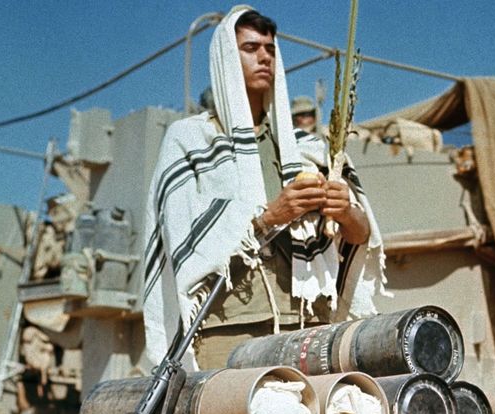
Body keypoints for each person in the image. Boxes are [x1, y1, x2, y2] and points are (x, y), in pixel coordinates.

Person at [142, 6, 384, 369]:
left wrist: (346, 210)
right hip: (229, 326)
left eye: (270, 49)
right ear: (226, 57)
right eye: (251, 48)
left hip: (307, 325)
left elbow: (362, 235)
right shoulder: (191, 141)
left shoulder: (307, 149)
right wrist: (269, 217)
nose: (264, 57)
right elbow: (183, 244)